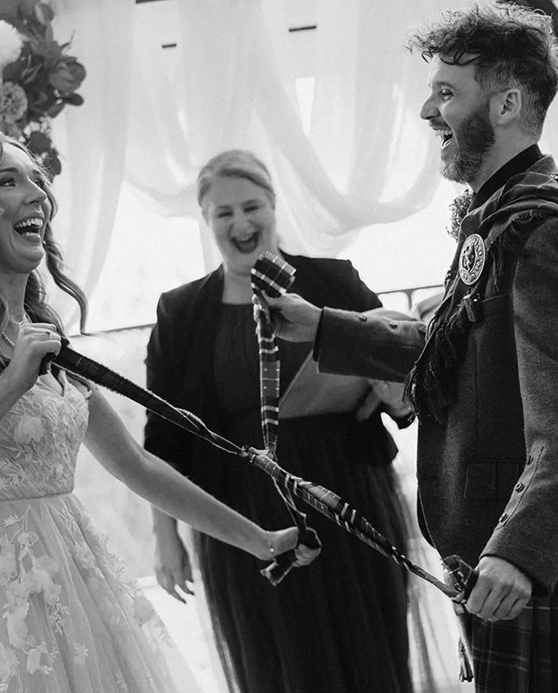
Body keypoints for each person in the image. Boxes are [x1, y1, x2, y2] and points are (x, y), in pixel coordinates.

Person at [267, 3, 558, 692]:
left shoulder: (542, 234)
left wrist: (517, 554)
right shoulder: (507, 216)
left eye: (446, 92)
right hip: (504, 568)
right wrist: (325, 327)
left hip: (536, 574)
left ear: (508, 102)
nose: (428, 110)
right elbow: (466, 355)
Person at [0, 131, 315, 693]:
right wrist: (9, 384)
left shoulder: (45, 328)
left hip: (74, 571)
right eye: (8, 182)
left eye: (36, 179)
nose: (36, 195)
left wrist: (260, 540)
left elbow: (137, 466)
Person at [144, 149, 420, 693]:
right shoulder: (180, 313)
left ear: (274, 206)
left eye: (252, 207)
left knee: (369, 657)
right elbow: (163, 439)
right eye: (224, 213)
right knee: (279, 668)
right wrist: (165, 536)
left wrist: (392, 390)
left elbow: (402, 374)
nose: (241, 224)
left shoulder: (335, 282)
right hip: (244, 516)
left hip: (349, 494)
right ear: (207, 221)